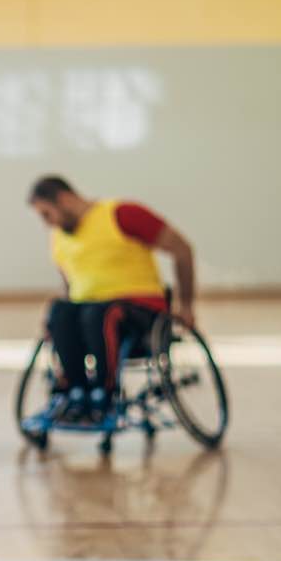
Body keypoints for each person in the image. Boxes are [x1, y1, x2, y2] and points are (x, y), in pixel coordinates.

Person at [28, 175, 196, 422]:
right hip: (90, 314)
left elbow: (182, 250)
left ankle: (103, 392)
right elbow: (69, 288)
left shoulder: (122, 214)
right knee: (60, 310)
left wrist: (187, 305)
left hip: (140, 311)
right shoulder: (59, 238)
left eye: (46, 214)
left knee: (100, 313)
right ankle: (74, 391)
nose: (47, 224)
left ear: (64, 199)